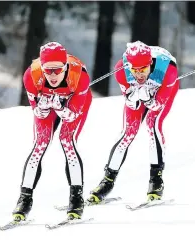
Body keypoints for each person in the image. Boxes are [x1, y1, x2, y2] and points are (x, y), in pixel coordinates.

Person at [88, 41, 179, 203]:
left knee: (153, 125)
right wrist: (136, 95)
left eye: (143, 70)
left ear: (150, 63)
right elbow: (132, 104)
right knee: (127, 132)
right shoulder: (121, 70)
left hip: (162, 88)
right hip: (139, 91)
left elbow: (157, 105)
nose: (139, 75)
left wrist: (148, 97)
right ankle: (107, 181)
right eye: (134, 70)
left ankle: (156, 180)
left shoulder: (168, 70)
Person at [12, 42, 92, 221]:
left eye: (58, 69)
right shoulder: (31, 76)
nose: (53, 75)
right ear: (42, 67)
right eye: (48, 70)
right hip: (48, 104)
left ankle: (76, 198)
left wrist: (61, 107)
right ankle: (24, 198)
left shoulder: (79, 76)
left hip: (74, 105)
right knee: (40, 144)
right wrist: (43, 105)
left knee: (67, 141)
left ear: (66, 66)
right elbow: (37, 112)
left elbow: (72, 115)